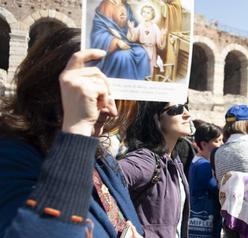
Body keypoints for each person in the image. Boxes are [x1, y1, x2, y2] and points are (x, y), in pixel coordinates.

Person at [0, 28, 143, 237]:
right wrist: (78, 128)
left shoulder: (102, 160)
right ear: (51, 87)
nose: (110, 108)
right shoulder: (11, 157)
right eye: (95, 94)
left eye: (114, 95)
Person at [119, 101, 191, 237]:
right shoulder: (145, 161)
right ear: (156, 117)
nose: (187, 114)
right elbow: (101, 182)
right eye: (177, 109)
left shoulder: (173, 161)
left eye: (186, 107)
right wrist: (123, 228)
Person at [91, 0, 150, 80]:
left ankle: (141, 86)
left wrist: (133, 29)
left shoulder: (126, 6)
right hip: (111, 45)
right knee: (124, 57)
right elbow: (98, 32)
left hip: (125, 40)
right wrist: (116, 42)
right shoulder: (106, 5)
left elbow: (133, 24)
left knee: (142, 52)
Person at [188, 123, 223, 238]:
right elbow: (216, 190)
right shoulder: (204, 165)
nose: (221, 145)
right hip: (205, 215)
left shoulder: (197, 160)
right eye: (217, 141)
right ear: (203, 144)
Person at [128, 5, 167, 75]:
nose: (145, 14)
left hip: (152, 49)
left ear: (152, 15)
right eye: (144, 12)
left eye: (148, 13)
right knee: (141, 66)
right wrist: (131, 29)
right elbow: (134, 38)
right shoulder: (140, 25)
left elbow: (159, 43)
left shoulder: (155, 27)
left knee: (150, 68)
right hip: (142, 49)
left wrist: (163, 35)